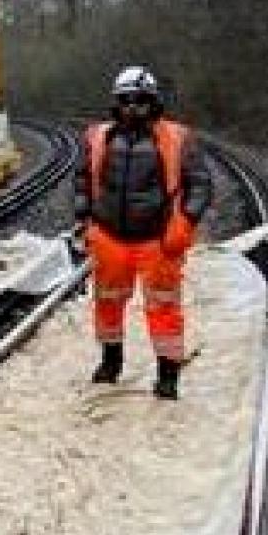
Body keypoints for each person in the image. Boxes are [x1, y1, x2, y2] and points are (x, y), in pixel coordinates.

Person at [76, 66, 212, 399]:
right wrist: (84, 216)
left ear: (153, 102)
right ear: (116, 103)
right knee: (107, 304)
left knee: (164, 308)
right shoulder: (98, 136)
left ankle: (167, 377)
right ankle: (111, 363)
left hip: (158, 239)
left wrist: (186, 221)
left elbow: (200, 183)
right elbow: (82, 179)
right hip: (109, 236)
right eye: (126, 101)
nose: (133, 107)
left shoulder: (177, 137)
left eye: (140, 101)